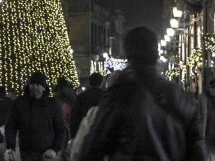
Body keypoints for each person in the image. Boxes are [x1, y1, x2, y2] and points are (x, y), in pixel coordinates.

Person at [78, 26, 206, 160]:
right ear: (156, 52)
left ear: (127, 53)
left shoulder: (118, 95)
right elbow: (197, 152)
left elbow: (92, 149)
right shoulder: (181, 98)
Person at [5, 71, 66, 161]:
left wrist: (54, 149)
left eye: (38, 85)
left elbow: (61, 129)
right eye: (32, 84)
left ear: (43, 87)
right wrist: (10, 147)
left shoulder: (52, 104)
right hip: (26, 152)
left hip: (46, 153)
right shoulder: (20, 103)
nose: (35, 87)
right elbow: (11, 126)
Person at [70, 73, 104, 137]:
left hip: (83, 132)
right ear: (101, 82)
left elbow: (75, 116)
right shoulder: (105, 96)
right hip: (100, 132)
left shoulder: (81, 97)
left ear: (89, 82)